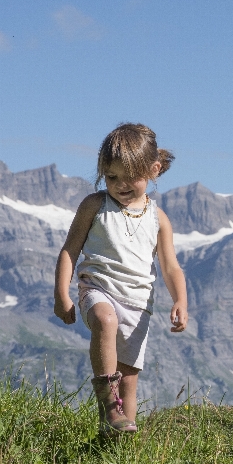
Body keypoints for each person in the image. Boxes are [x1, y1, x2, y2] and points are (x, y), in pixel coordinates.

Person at [54, 123, 188, 433]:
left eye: (131, 178)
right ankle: (106, 403)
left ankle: (120, 447)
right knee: (105, 320)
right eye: (112, 177)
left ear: (153, 170)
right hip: (98, 290)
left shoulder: (158, 218)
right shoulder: (94, 206)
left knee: (128, 383)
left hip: (138, 305)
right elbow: (69, 250)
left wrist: (181, 300)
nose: (121, 185)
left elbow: (171, 267)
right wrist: (62, 294)